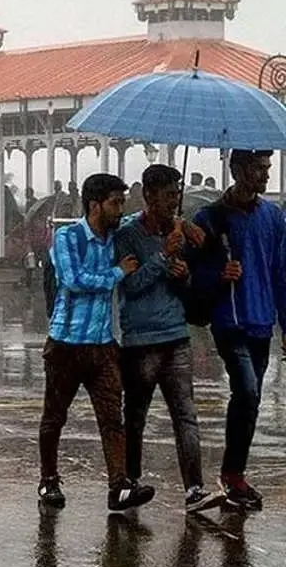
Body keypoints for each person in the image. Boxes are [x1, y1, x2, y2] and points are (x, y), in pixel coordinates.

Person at [37, 173, 154, 512]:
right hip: (65, 343)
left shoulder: (117, 236)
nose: (120, 210)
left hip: (102, 345)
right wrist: (118, 273)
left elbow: (138, 219)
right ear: (95, 205)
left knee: (111, 418)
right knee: (54, 417)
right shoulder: (67, 237)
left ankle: (118, 486)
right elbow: (74, 280)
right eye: (115, 203)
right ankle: (49, 480)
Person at [114, 165, 223, 513]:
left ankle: (194, 488)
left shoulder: (180, 231)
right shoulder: (128, 234)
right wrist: (163, 256)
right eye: (167, 195)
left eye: (177, 194)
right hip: (140, 340)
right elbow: (130, 285)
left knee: (186, 415)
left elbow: (185, 284)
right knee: (136, 416)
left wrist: (183, 272)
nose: (174, 202)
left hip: (176, 335)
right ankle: (129, 481)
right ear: (148, 196)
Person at [188, 149, 286, 510]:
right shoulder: (210, 218)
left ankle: (235, 474)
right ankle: (232, 473)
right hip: (229, 321)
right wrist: (218, 275)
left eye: (268, 168)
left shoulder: (274, 218)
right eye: (259, 168)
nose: (264, 175)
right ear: (237, 170)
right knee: (245, 390)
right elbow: (192, 272)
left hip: (262, 321)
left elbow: (281, 273)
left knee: (252, 398)